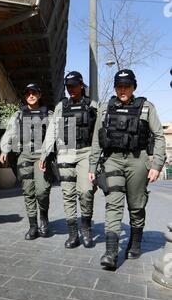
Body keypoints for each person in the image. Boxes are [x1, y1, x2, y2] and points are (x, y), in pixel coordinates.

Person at [89, 70, 167, 270]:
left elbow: (159, 136)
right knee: (113, 204)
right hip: (112, 160)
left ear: (134, 87)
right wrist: (92, 166)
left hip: (137, 160)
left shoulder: (146, 108)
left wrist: (157, 164)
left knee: (136, 205)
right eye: (119, 86)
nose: (123, 90)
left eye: (127, 86)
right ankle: (111, 252)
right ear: (115, 87)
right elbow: (97, 140)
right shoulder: (105, 109)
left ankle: (135, 242)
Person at [40, 72, 98, 249]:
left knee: (86, 192)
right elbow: (52, 131)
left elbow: (99, 131)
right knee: (68, 194)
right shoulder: (61, 106)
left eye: (74, 85)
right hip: (65, 153)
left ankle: (86, 228)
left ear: (82, 85)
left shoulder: (92, 105)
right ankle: (73, 234)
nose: (71, 89)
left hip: (86, 152)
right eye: (68, 86)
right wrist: (44, 154)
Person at [0, 84, 53, 240]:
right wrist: (4, 150)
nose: (31, 95)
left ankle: (43, 217)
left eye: (34, 93)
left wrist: (47, 154)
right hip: (24, 155)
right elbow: (10, 132)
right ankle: (33, 226)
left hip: (41, 156)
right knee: (28, 192)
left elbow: (53, 135)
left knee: (42, 191)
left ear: (39, 94)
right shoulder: (18, 115)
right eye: (28, 93)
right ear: (25, 96)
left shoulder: (48, 114)